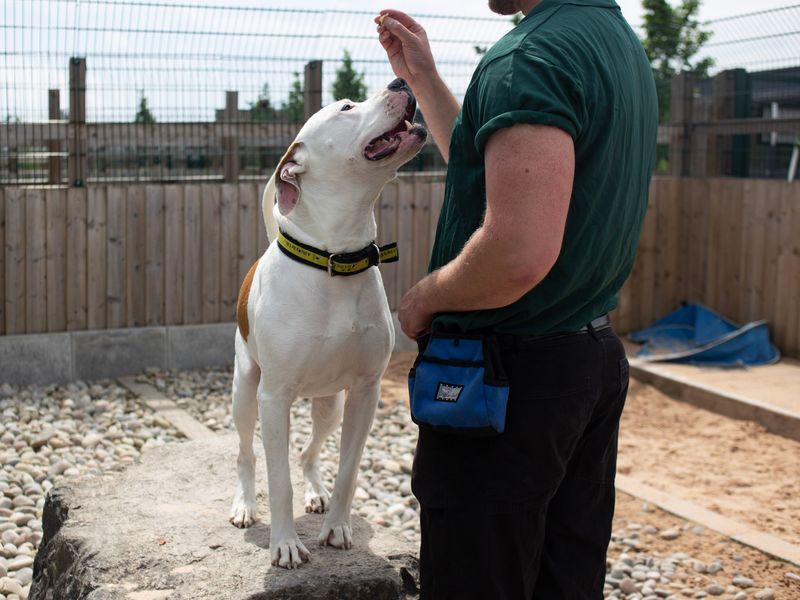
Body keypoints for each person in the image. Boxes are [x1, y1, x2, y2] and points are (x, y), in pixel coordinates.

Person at [375, 0, 657, 598]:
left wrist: (423, 298)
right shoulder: (614, 42)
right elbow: (491, 172)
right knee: (564, 578)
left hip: (507, 381)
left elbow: (517, 254)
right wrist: (424, 80)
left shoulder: (531, 55)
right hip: (586, 358)